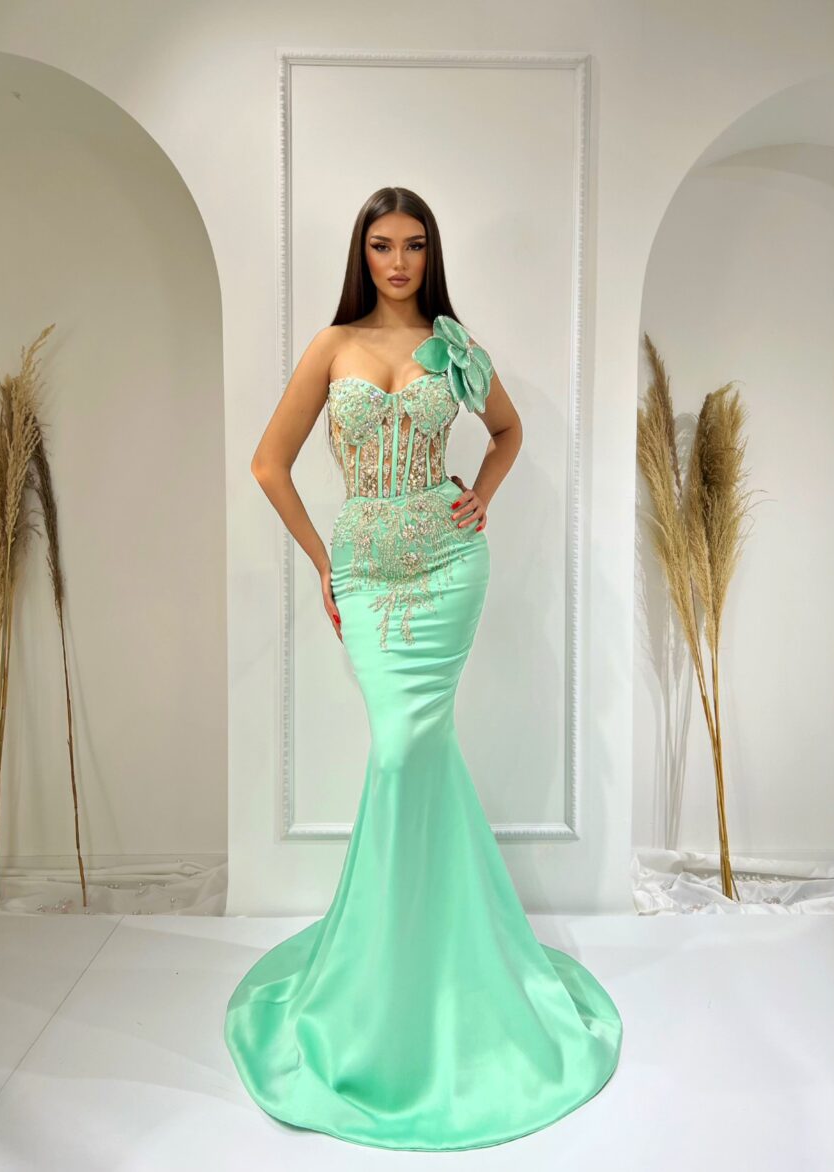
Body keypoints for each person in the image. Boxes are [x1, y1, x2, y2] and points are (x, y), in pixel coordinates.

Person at [224, 187, 623, 1151]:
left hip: (449, 569)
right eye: (381, 245)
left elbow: (509, 431)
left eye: (412, 245)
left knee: (413, 749)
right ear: (360, 254)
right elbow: (270, 463)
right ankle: (406, 961)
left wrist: (480, 495)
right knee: (409, 751)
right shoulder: (332, 346)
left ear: (430, 254)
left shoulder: (455, 344)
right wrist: (324, 563)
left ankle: (432, 963)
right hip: (367, 572)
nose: (397, 261)